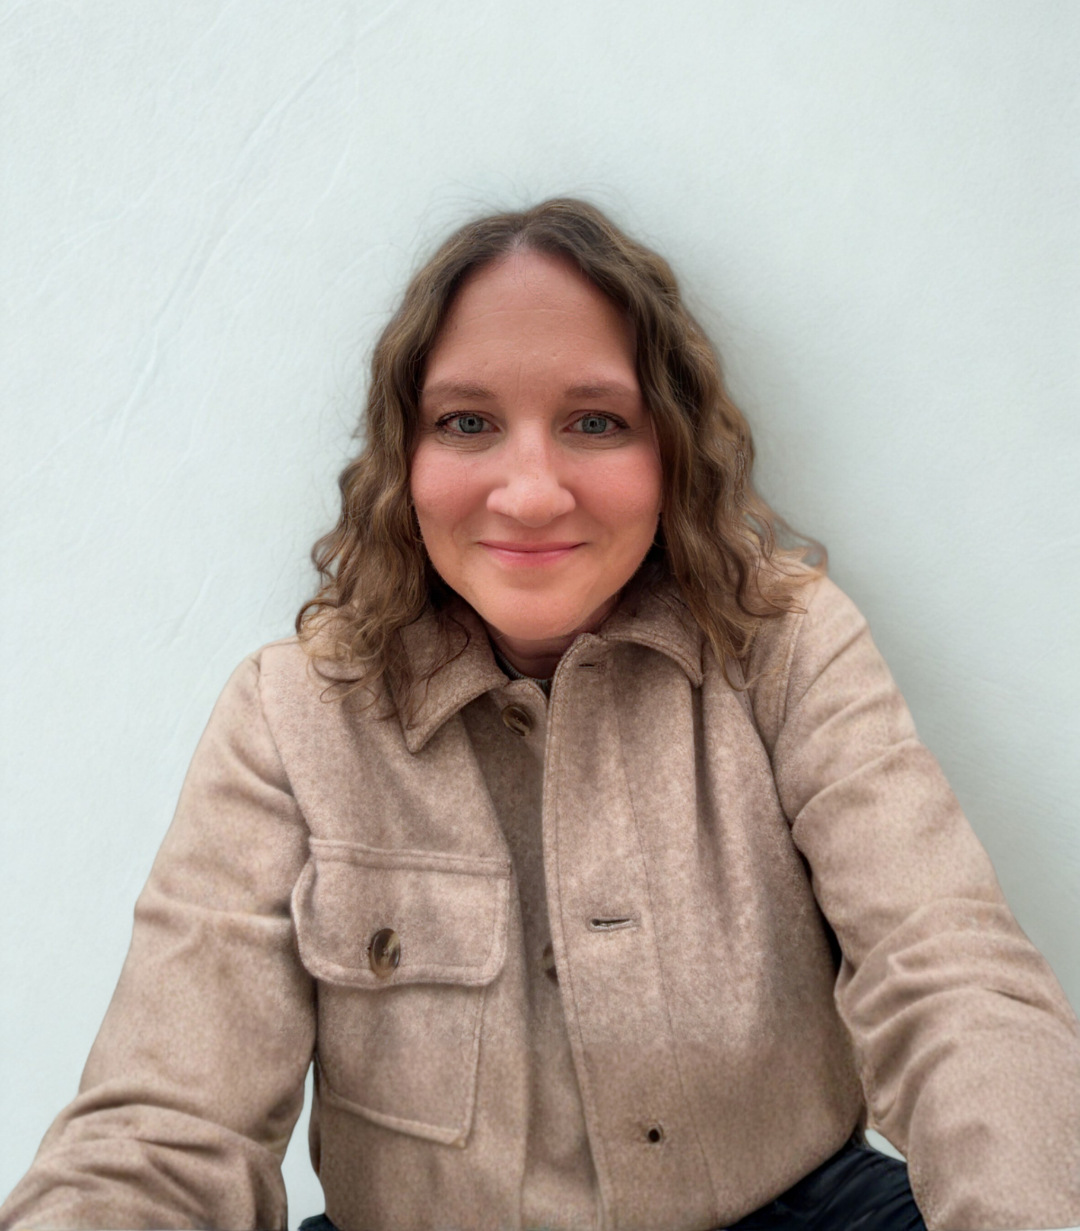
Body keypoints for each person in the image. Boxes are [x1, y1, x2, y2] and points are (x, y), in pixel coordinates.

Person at [3, 197, 1078, 1231]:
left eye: (595, 422)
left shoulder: (787, 646)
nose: (530, 492)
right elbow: (164, 1128)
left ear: (671, 452)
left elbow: (950, 979)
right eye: (468, 422)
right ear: (404, 461)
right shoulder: (288, 716)